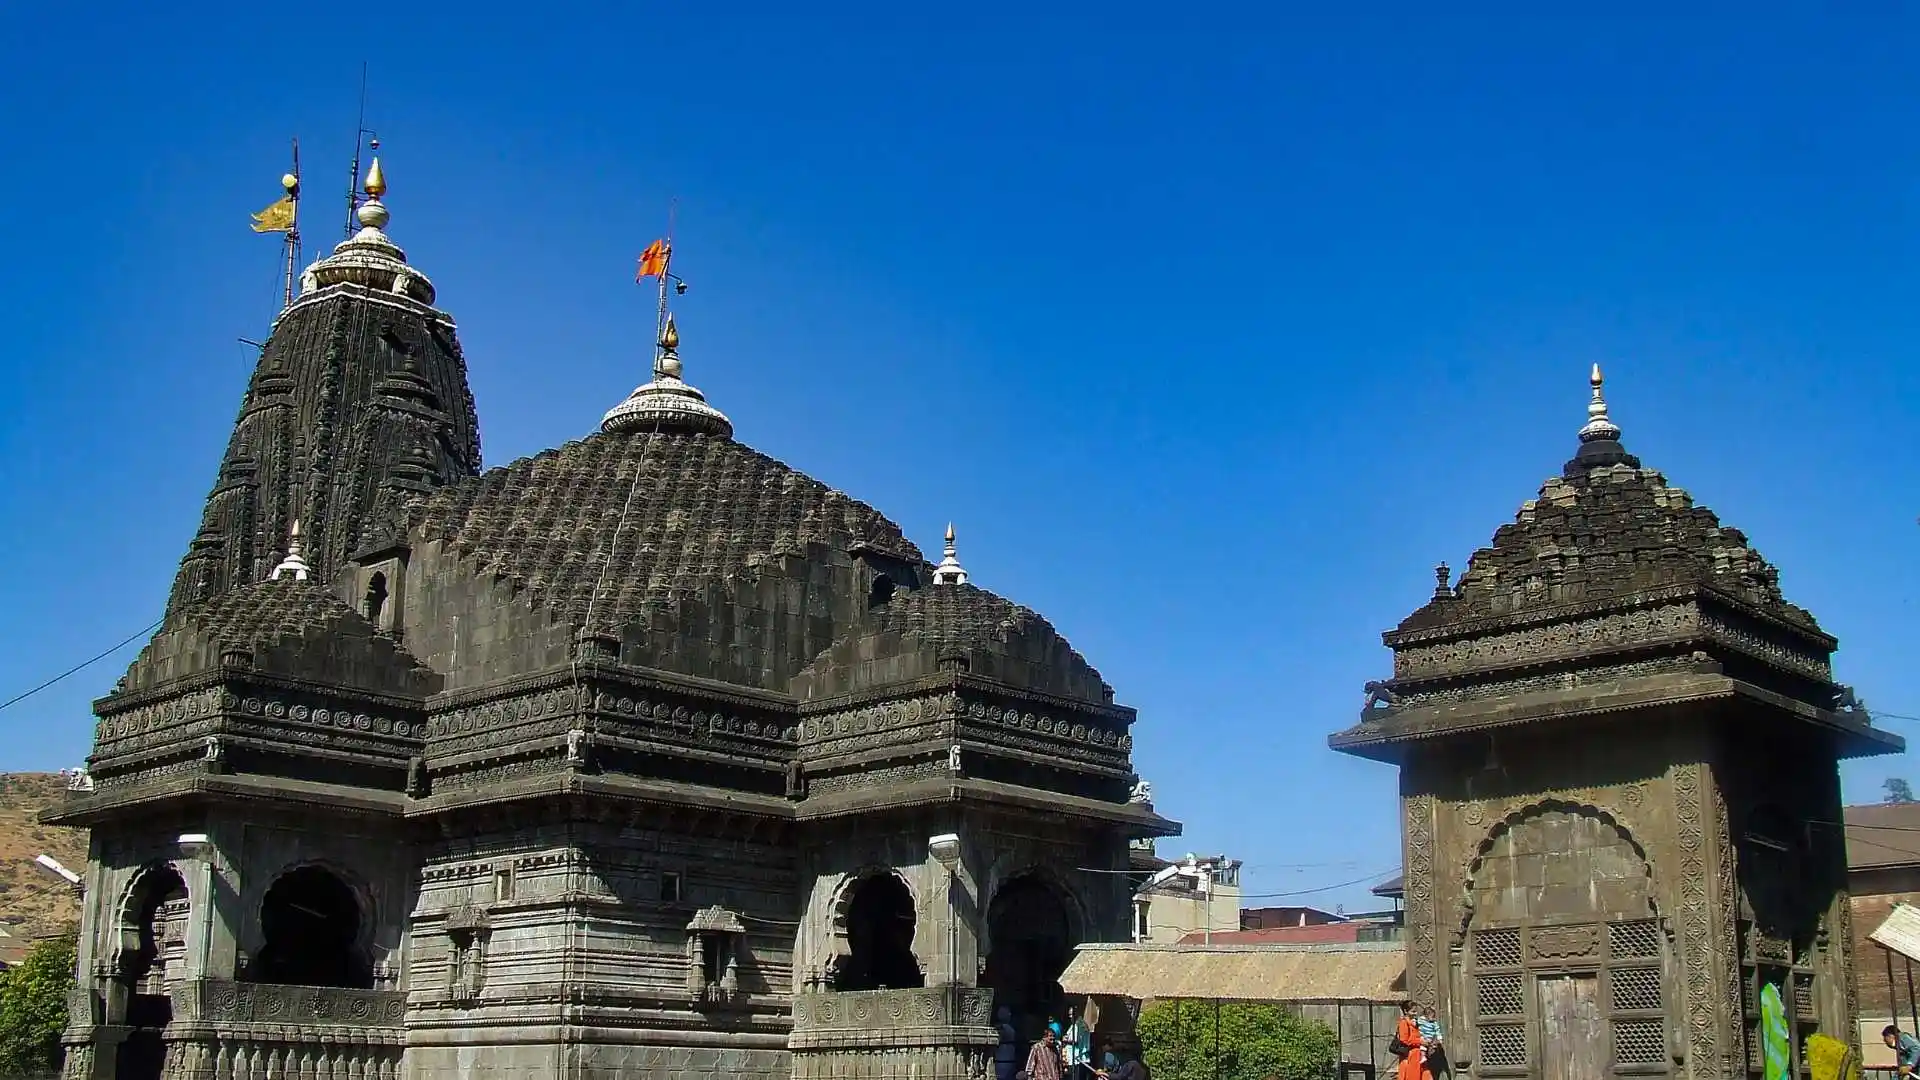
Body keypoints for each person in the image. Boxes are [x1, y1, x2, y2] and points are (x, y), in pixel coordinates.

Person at [1393, 1001, 1427, 1080]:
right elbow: (1405, 1040)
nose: (1415, 1013)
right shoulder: (1404, 1023)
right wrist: (1420, 1041)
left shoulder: (1415, 1022)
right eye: (1413, 1011)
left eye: (1416, 1011)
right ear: (1406, 1011)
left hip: (1418, 1055)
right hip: (1409, 1055)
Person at [1419, 1006, 1449, 1080]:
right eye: (1432, 1017)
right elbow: (1416, 1023)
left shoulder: (1434, 1023)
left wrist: (1439, 1038)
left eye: (1434, 1017)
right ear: (1426, 1016)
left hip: (1431, 1038)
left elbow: (1437, 1030)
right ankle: (1423, 1056)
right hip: (1423, 1037)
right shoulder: (1421, 1021)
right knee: (1422, 1047)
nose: (1433, 1018)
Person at [995, 1007, 1020, 1080]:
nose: (1010, 1014)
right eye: (1008, 1013)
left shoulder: (1009, 1028)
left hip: (1008, 1056)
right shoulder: (1001, 1027)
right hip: (1002, 1057)